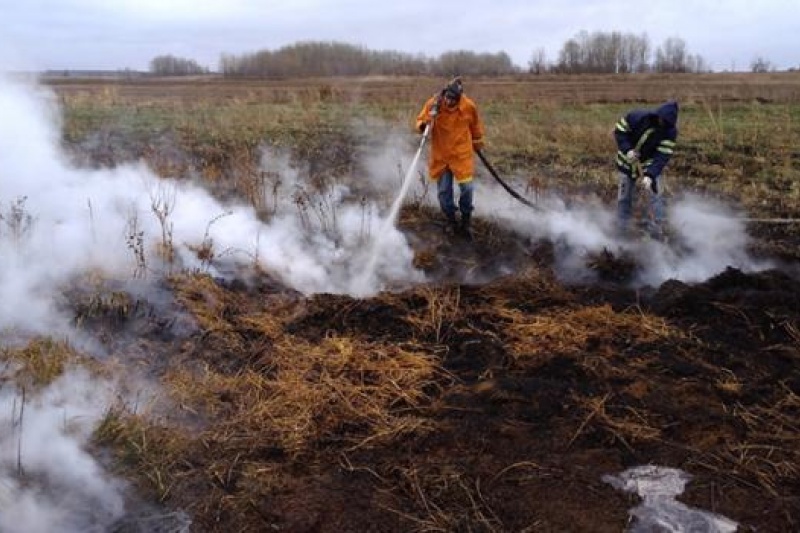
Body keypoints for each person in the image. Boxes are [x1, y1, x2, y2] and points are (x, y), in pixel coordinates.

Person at [415, 77, 485, 237]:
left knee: (467, 189)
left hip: (462, 156)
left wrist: (478, 140)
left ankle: (466, 220)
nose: (448, 101)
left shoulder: (468, 107)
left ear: (459, 98)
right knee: (444, 192)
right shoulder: (434, 104)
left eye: (453, 99)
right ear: (444, 93)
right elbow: (420, 120)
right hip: (441, 156)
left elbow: (475, 126)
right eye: (447, 97)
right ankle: (451, 221)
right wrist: (424, 125)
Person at [613, 100, 679, 239]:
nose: (662, 124)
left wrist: (650, 175)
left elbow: (662, 155)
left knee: (655, 196)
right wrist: (628, 150)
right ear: (658, 115)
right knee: (624, 198)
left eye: (666, 123)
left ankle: (657, 229)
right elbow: (619, 131)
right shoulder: (636, 117)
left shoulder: (670, 132)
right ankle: (621, 228)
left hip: (649, 165)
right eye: (662, 120)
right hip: (627, 162)